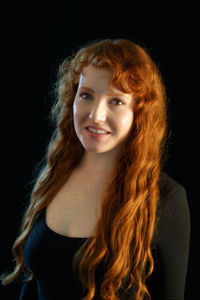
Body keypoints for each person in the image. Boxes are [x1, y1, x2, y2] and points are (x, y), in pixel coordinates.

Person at [1, 38, 190, 300]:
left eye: (116, 101)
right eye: (87, 95)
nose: (96, 114)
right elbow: (36, 283)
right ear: (72, 99)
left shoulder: (165, 198)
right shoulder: (56, 174)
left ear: (140, 113)